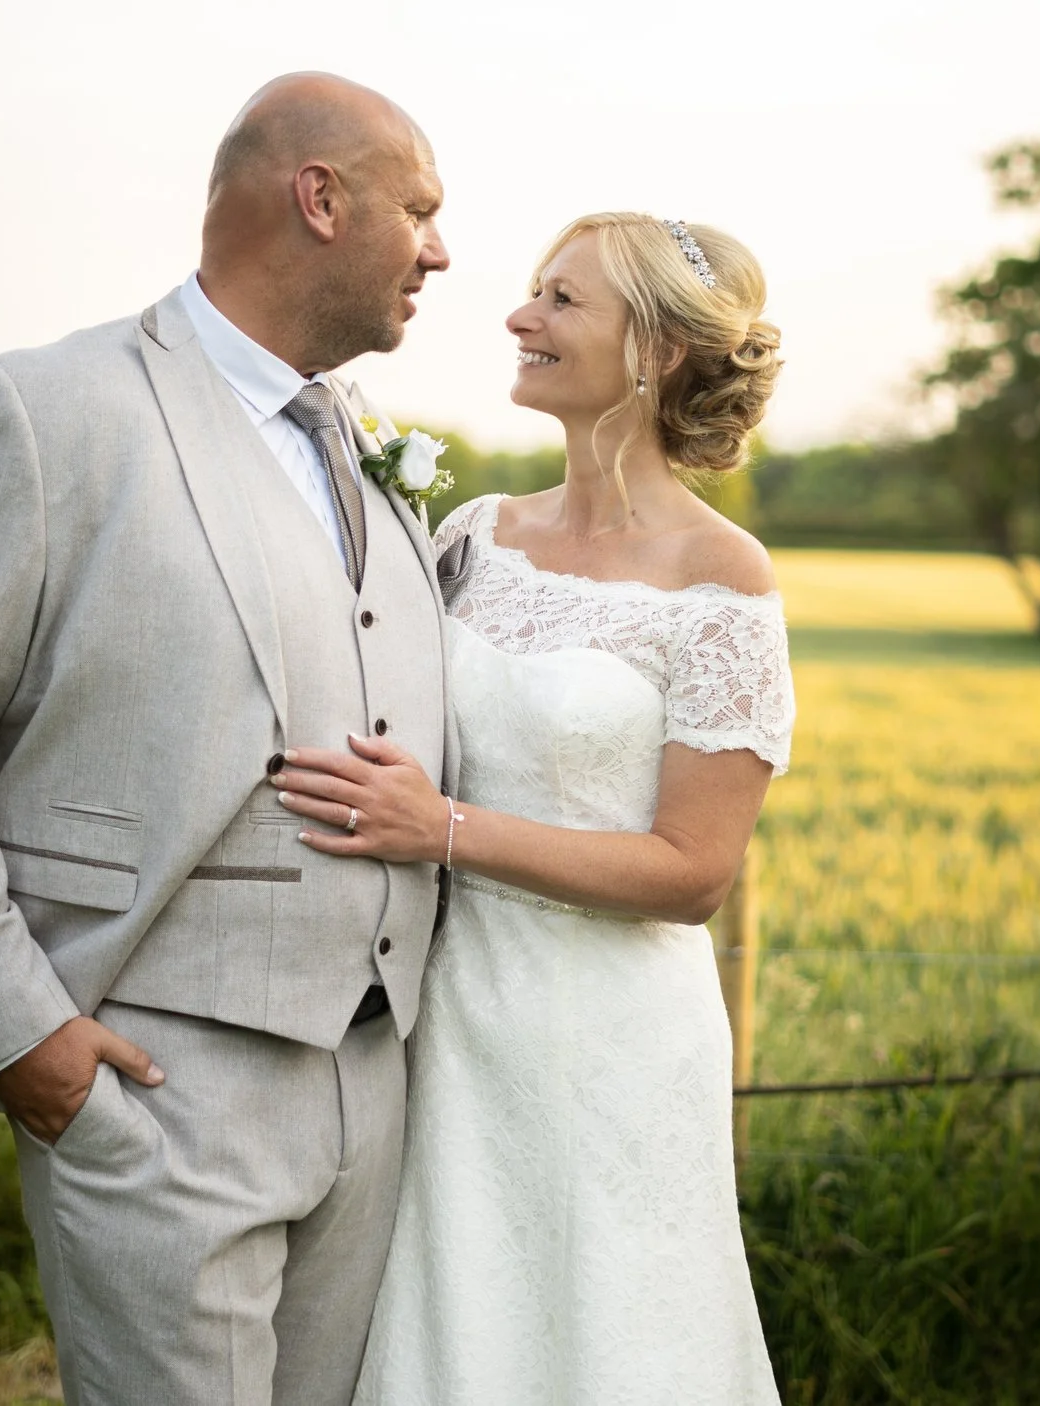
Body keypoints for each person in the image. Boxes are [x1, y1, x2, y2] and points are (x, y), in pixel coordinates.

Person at [0, 73, 453, 1406]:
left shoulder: (366, 443)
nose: (443, 250)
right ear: (320, 197)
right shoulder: (51, 412)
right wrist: (23, 1038)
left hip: (375, 1076)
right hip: (155, 1083)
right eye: (422, 210)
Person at [272, 212, 793, 1404]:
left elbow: (693, 870)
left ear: (656, 349)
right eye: (531, 292)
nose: (520, 316)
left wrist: (441, 828)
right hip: (443, 1017)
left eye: (562, 299)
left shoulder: (722, 578)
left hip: (605, 1037)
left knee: (602, 1336)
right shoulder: (472, 535)